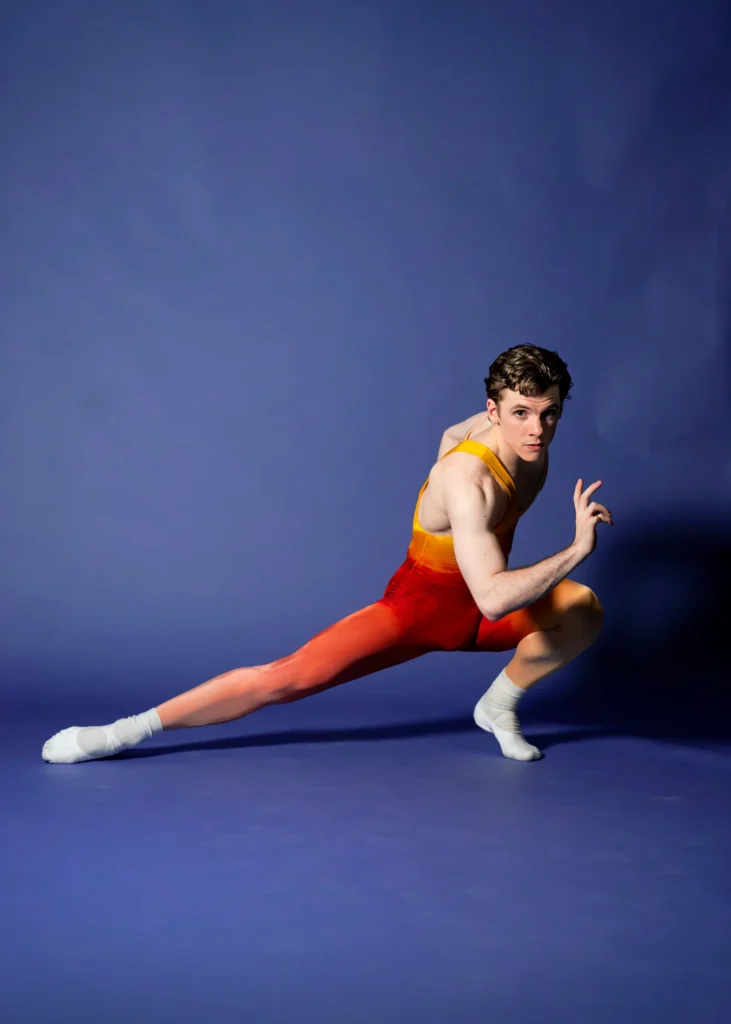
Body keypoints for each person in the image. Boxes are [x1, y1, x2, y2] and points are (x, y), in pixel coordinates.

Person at [42, 344, 610, 766]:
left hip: (476, 616)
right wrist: (577, 546)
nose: (537, 430)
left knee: (582, 610)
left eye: (550, 413)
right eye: (520, 413)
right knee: (281, 680)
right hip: (416, 614)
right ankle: (119, 733)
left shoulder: (527, 446)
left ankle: (497, 706)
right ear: (493, 410)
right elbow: (490, 598)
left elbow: (455, 437)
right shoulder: (466, 477)